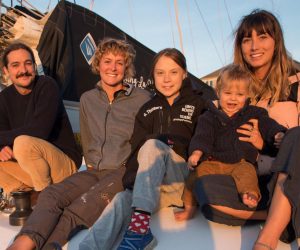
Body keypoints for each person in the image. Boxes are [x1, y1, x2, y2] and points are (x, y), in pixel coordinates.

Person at [7, 38, 151, 250]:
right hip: (94, 170)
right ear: (98, 64)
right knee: (51, 194)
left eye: (120, 63)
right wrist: (91, 166)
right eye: (108, 61)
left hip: (124, 170)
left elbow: (147, 140)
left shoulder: (142, 98)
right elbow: (87, 135)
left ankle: (51, 246)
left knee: (84, 204)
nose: (113, 67)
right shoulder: (87, 99)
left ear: (126, 67)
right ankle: (21, 245)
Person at [191, 9, 300, 250]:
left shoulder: (297, 82)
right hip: (254, 177)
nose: (254, 46)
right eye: (247, 39)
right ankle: (285, 214)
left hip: (293, 173)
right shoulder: (233, 87)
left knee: (297, 135)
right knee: (206, 190)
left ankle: (267, 238)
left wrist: (265, 144)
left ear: (276, 41)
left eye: (262, 36)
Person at [79, 48, 207, 250]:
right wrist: (132, 185)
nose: (166, 79)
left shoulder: (199, 104)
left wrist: (194, 193)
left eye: (173, 72)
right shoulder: (147, 110)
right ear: (153, 76)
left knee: (153, 144)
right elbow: (136, 153)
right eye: (160, 73)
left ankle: (139, 231)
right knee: (122, 198)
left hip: (184, 182)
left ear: (184, 73)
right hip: (154, 188)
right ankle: (88, 247)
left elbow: (208, 142)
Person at [174, 64, 286, 221]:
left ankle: (250, 195)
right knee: (194, 177)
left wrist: (278, 133)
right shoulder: (209, 116)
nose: (233, 98)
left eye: (240, 94)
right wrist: (197, 152)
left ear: (247, 96)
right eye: (227, 93)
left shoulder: (253, 113)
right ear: (218, 92)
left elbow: (268, 125)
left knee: (248, 174)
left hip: (241, 162)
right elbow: (202, 136)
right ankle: (189, 208)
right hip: (214, 161)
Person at [0, 42, 81, 205]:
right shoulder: (4, 98)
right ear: (6, 71)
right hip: (31, 168)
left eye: (28, 63)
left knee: (22, 142)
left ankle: (46, 199)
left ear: (34, 66)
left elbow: (38, 131)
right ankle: (23, 197)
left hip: (63, 165)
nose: (23, 70)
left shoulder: (46, 85)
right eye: (15, 65)